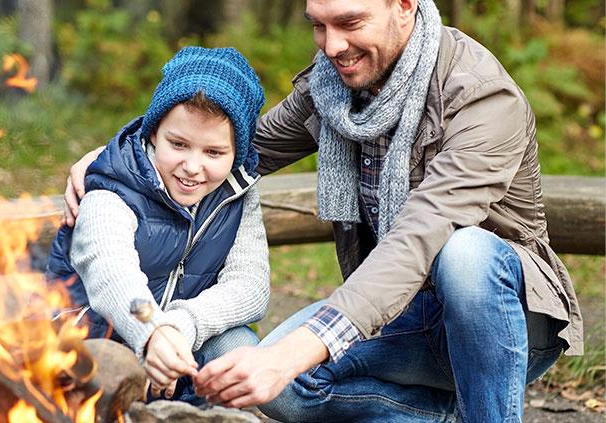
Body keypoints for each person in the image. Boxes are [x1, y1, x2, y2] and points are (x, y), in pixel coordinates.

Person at [63, 0, 583, 421]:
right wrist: (125, 156)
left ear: (405, 5)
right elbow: (239, 145)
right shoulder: (332, 86)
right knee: (262, 383)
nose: (332, 45)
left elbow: (418, 240)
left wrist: (289, 355)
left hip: (502, 320)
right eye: (319, 25)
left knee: (464, 253)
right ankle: (434, 416)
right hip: (397, 315)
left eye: (350, 23)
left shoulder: (482, 100)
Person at [41, 46, 269, 403]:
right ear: (153, 134)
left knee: (239, 344)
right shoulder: (111, 190)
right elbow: (113, 273)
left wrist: (180, 325)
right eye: (178, 144)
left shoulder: (235, 195)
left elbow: (250, 286)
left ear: (236, 153)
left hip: (178, 341)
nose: (193, 167)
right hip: (91, 342)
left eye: (213, 153)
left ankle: (194, 406)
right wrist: (152, 331)